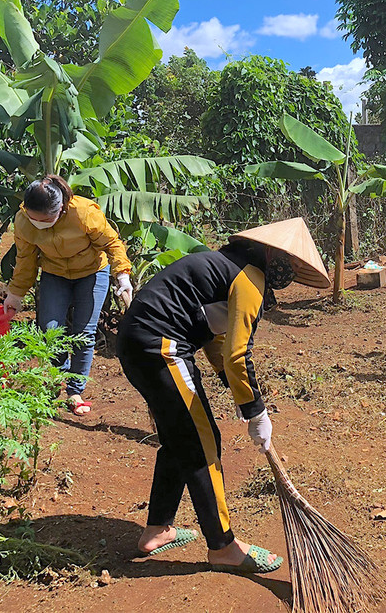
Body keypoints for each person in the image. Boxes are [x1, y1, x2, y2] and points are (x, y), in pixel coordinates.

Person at [116, 217, 330, 573]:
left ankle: (157, 530)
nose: (288, 269)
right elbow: (238, 355)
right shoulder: (248, 278)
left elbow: (216, 343)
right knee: (202, 443)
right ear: (268, 252)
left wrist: (236, 392)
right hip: (161, 347)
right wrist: (256, 411)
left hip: (139, 343)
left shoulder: (223, 266)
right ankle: (223, 546)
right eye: (286, 261)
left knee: (179, 438)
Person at [3, 175, 133, 415]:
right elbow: (26, 259)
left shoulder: (83, 213)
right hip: (54, 273)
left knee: (83, 333)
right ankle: (56, 378)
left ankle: (75, 391)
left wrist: (122, 275)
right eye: (33, 218)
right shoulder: (23, 221)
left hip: (92, 272)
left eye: (44, 220)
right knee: (50, 329)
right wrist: (16, 294)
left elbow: (112, 243)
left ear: (60, 208)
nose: (37, 223)